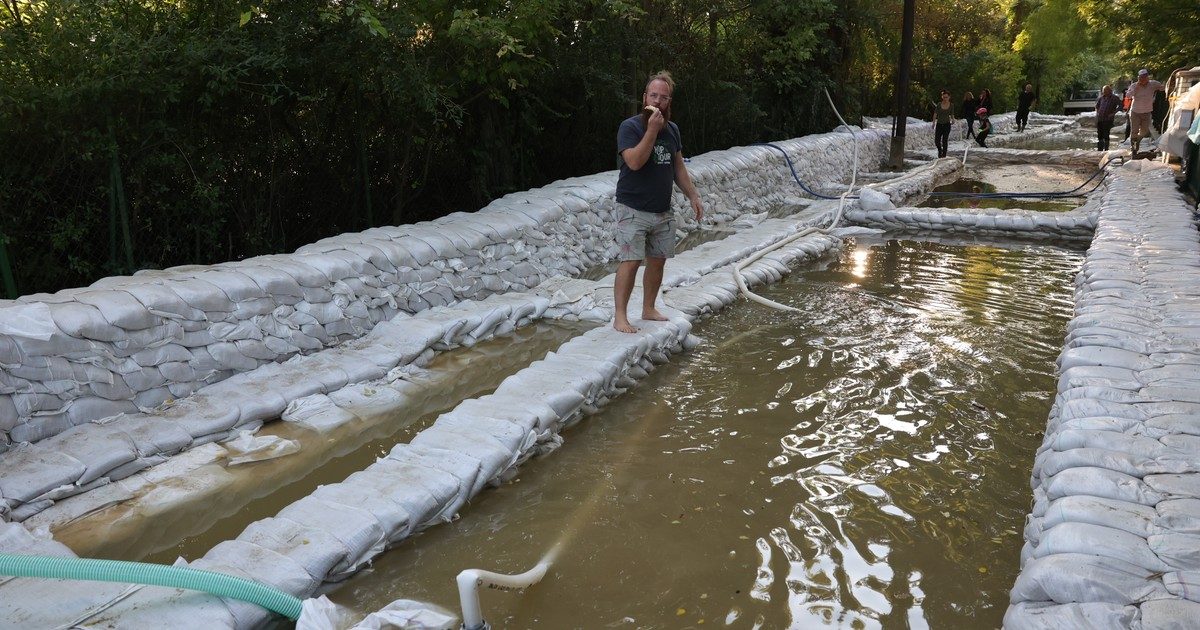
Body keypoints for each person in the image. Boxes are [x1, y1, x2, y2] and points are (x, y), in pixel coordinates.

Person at [613, 70, 704, 334]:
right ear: (644, 98)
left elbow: (678, 167)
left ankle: (648, 308)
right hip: (633, 207)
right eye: (654, 95)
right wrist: (651, 130)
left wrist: (693, 195)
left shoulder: (672, 129)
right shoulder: (630, 127)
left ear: (669, 102)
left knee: (658, 260)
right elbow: (634, 161)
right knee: (631, 261)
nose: (658, 101)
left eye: (664, 98)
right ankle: (620, 316)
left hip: (663, 209)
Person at [1124, 68, 1165, 153]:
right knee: (1134, 130)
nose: (1143, 79)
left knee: (1144, 131)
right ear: (1139, 78)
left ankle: (1137, 141)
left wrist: (1169, 85)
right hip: (1135, 111)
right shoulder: (1134, 85)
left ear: (1147, 77)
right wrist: (1136, 88)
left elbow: (1163, 88)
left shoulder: (1153, 84)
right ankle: (1134, 148)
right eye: (1141, 77)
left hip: (1147, 112)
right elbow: (1128, 95)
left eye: (1145, 77)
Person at [1094, 85, 1121, 151]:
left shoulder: (1114, 98)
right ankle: (1099, 150)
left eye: (1106, 91)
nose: (1104, 92)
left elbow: (1121, 106)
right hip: (1100, 118)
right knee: (1100, 134)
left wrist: (1113, 113)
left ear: (1110, 91)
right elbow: (1097, 106)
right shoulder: (1101, 98)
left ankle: (1106, 149)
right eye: (1104, 91)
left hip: (1108, 119)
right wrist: (1097, 113)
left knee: (1106, 134)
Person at [932, 90, 955, 158]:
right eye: (944, 97)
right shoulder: (939, 104)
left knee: (945, 140)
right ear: (942, 97)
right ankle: (940, 150)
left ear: (949, 97)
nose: (945, 99)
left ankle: (944, 155)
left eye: (946, 97)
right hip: (939, 124)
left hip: (947, 125)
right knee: (937, 141)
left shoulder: (951, 105)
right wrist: (933, 123)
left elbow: (952, 114)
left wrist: (953, 119)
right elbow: (935, 114)